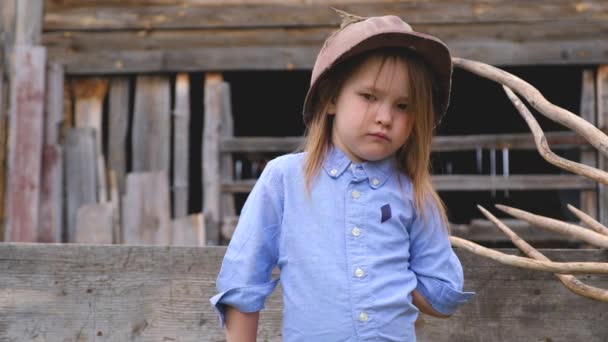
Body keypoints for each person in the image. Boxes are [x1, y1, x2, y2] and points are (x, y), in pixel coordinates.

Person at [210, 9, 475, 342]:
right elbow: (242, 282)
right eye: (369, 97)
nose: (385, 117)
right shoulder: (285, 179)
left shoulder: (415, 195)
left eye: (403, 106)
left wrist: (394, 274)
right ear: (331, 97)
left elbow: (442, 296)